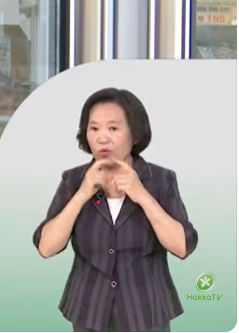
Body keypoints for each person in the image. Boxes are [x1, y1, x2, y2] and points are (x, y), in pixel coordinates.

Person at [33, 88, 197, 332]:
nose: (102, 138)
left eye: (113, 128)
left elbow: (182, 246)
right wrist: (82, 193)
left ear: (135, 133)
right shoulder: (73, 180)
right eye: (94, 128)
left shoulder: (161, 180)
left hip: (146, 312)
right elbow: (46, 247)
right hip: (89, 313)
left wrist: (141, 195)